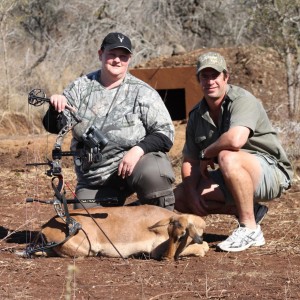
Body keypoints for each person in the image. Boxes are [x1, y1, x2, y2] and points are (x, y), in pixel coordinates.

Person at [174, 51, 293, 252]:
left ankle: (249, 228)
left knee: (227, 156)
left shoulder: (242, 100)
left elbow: (236, 140)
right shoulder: (196, 114)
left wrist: (207, 153)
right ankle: (251, 211)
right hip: (233, 175)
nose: (210, 81)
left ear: (225, 77)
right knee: (180, 196)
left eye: (215, 75)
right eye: (205, 76)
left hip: (271, 173)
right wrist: (192, 192)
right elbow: (190, 160)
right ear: (198, 79)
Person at [43, 32, 175, 210]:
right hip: (96, 180)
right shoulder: (80, 87)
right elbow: (54, 126)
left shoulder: (143, 92)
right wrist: (55, 107)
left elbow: (166, 133)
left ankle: (163, 226)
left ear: (129, 58)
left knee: (153, 174)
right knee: (86, 229)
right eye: (112, 55)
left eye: (123, 56)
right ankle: (131, 211)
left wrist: (138, 150)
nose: (117, 61)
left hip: (134, 167)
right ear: (100, 54)